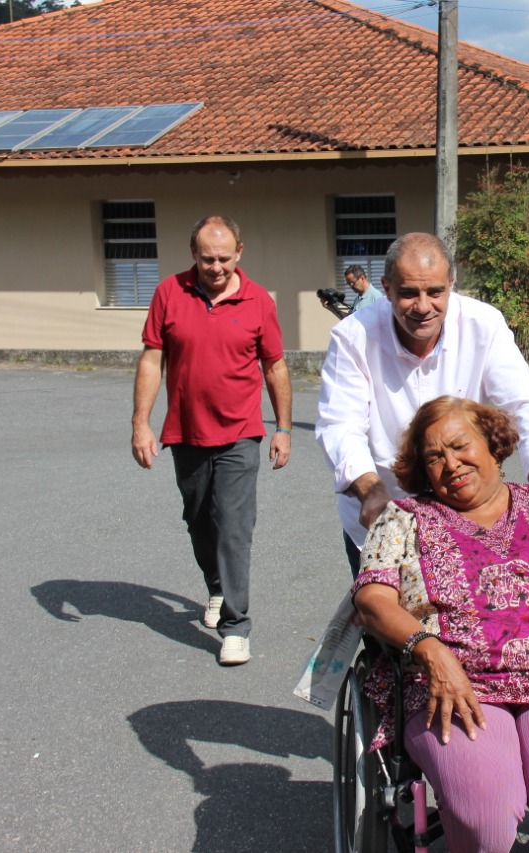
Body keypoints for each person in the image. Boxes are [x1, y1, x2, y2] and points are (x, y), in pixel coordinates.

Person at [353, 396, 529, 853]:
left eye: (460, 445)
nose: (450, 463)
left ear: (492, 444)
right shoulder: (402, 520)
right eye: (433, 457)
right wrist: (432, 651)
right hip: (454, 685)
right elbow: (372, 600)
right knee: (484, 818)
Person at [316, 232, 529, 575]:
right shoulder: (353, 336)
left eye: (435, 292)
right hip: (386, 517)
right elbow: (340, 425)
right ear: (386, 288)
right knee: (387, 625)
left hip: (467, 514)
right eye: (407, 293)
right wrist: (371, 492)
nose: (422, 306)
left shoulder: (484, 325)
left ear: (452, 283)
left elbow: (523, 404)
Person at [131, 215, 292, 666]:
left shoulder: (259, 300)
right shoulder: (169, 292)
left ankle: (237, 626)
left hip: (241, 433)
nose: (216, 267)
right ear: (193, 256)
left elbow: (275, 367)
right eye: (207, 259)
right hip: (185, 431)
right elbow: (151, 360)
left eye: (223, 258)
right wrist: (140, 422)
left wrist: (282, 427)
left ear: (239, 252)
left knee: (234, 529)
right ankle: (218, 589)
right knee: (200, 521)